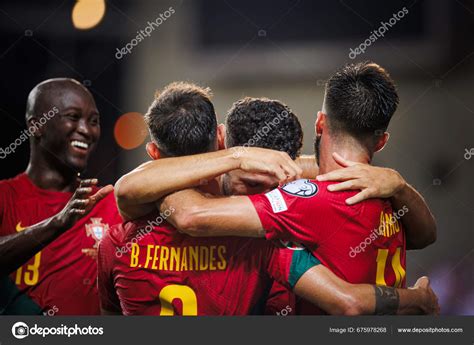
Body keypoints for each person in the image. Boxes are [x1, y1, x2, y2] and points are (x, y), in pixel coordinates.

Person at [100, 82, 439, 315]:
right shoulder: (263, 245)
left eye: (273, 184)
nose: (263, 196)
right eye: (250, 182)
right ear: (221, 140)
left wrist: (397, 184)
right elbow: (189, 213)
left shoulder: (117, 238)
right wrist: (417, 299)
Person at [0, 78, 122, 315]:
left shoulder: (108, 202)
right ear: (37, 125)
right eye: (73, 117)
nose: (86, 130)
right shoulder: (5, 196)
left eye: (94, 121)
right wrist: (58, 223)